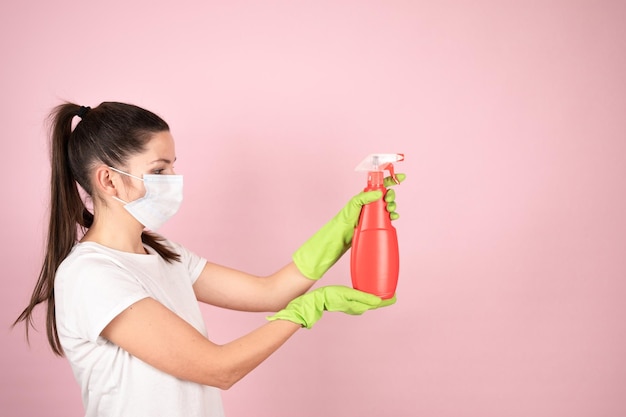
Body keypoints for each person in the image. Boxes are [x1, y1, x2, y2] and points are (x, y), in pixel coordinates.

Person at [14, 101, 405, 417]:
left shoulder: (163, 253)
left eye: (173, 166)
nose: (173, 179)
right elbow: (217, 368)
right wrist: (311, 306)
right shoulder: (91, 275)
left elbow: (269, 292)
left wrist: (346, 226)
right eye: (159, 170)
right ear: (109, 180)